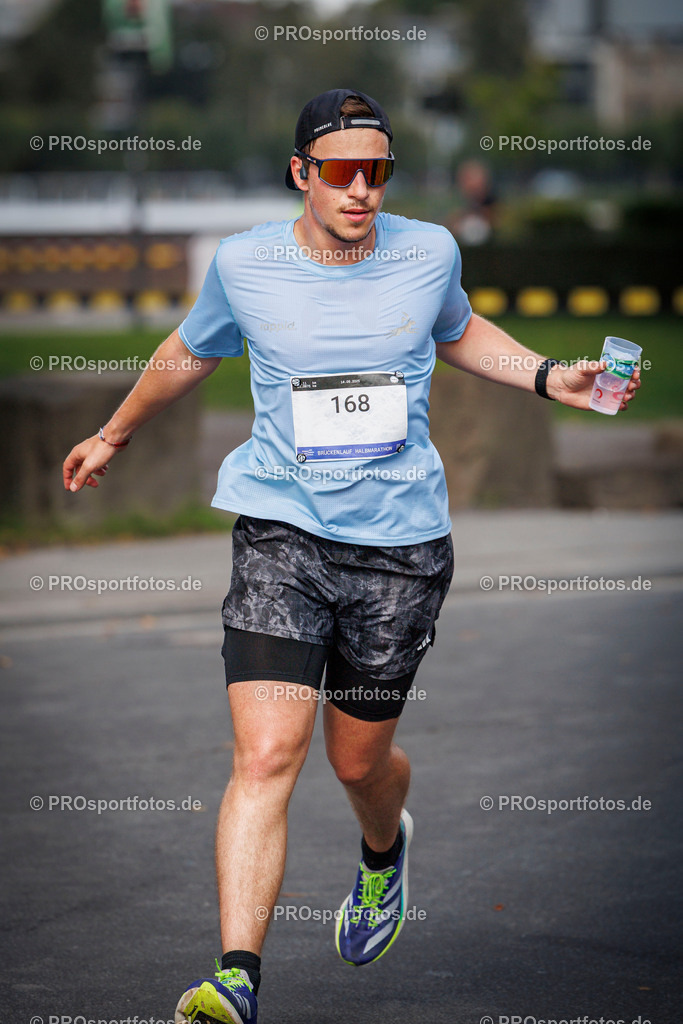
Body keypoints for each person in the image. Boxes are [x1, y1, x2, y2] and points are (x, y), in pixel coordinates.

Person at [63, 89, 641, 1024]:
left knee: (357, 763)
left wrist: (545, 374)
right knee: (265, 754)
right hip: (279, 531)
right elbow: (187, 350)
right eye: (341, 171)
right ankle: (234, 980)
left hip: (400, 548)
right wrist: (114, 434)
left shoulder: (428, 251)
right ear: (301, 173)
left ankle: (382, 854)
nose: (362, 189)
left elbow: (457, 331)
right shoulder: (246, 263)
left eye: (377, 171)